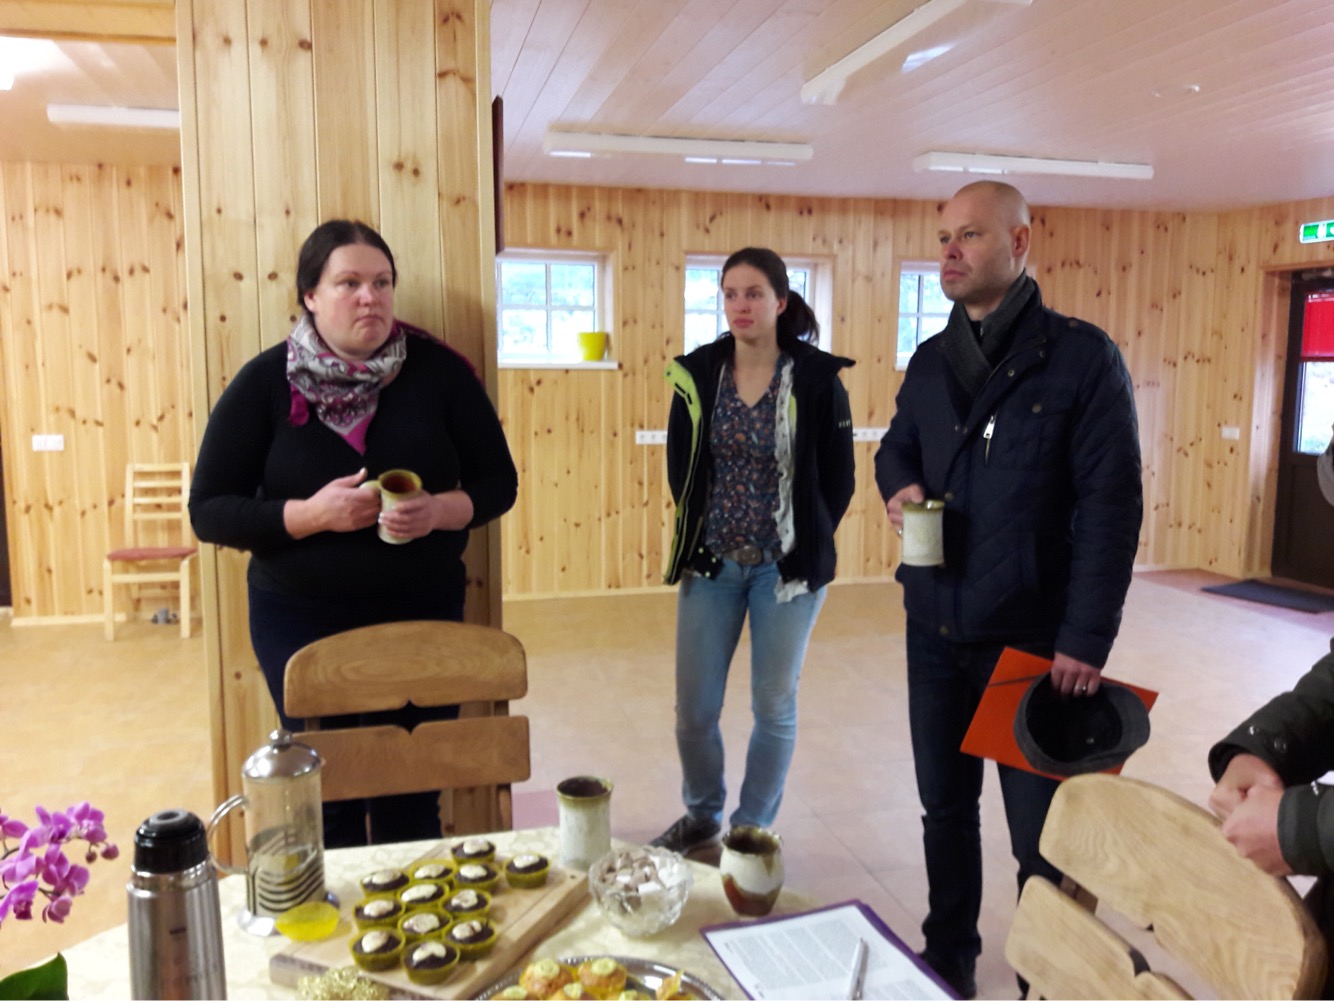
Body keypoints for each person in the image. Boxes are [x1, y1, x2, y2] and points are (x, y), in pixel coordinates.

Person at [874, 181, 1143, 997]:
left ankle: (1043, 976)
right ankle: (949, 953)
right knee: (945, 811)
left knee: (1041, 840)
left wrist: (1085, 639)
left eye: (970, 236)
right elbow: (895, 446)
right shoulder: (931, 361)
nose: (949, 252)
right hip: (934, 627)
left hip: (1031, 643)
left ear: (1020, 244)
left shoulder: (1081, 359)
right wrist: (899, 486)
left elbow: (1111, 507)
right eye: (944, 238)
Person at [190, 219, 518, 848]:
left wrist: (437, 511)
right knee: (327, 796)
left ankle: (414, 911)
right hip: (300, 619)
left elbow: (498, 483)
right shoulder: (267, 381)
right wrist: (313, 515)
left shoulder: (439, 374)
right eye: (349, 284)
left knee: (411, 788)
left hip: (422, 615)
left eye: (382, 282)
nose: (371, 297)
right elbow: (208, 510)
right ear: (310, 295)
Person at [650, 247, 856, 855]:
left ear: (780, 302)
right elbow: (682, 467)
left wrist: (807, 537)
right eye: (730, 294)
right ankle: (701, 814)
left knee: (773, 703)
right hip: (713, 563)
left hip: (785, 572)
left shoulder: (815, 381)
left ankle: (750, 826)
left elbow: (838, 479)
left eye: (754, 293)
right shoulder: (698, 375)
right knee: (694, 709)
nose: (741, 305)